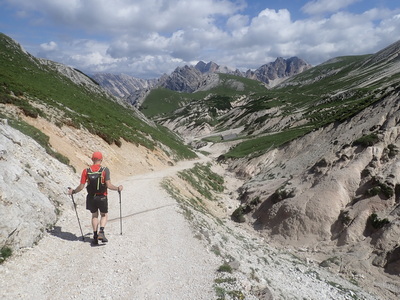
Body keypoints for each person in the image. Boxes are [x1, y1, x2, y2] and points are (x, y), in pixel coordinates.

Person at [68, 151, 123, 245]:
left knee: (94, 216)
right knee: (104, 215)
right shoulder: (105, 170)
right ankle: (101, 231)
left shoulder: (86, 171)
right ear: (101, 160)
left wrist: (73, 191)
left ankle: (94, 236)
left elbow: (81, 186)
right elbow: (109, 185)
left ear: (92, 159)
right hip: (102, 196)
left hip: (91, 197)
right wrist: (118, 188)